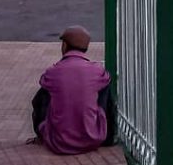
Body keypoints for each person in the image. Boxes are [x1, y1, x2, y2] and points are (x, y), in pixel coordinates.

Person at [30, 25, 114, 155]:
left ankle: (44, 133)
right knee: (103, 89)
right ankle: (108, 135)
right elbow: (106, 85)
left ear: (64, 45)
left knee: (44, 94)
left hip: (58, 142)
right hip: (93, 140)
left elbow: (38, 99)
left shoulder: (54, 72)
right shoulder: (97, 71)